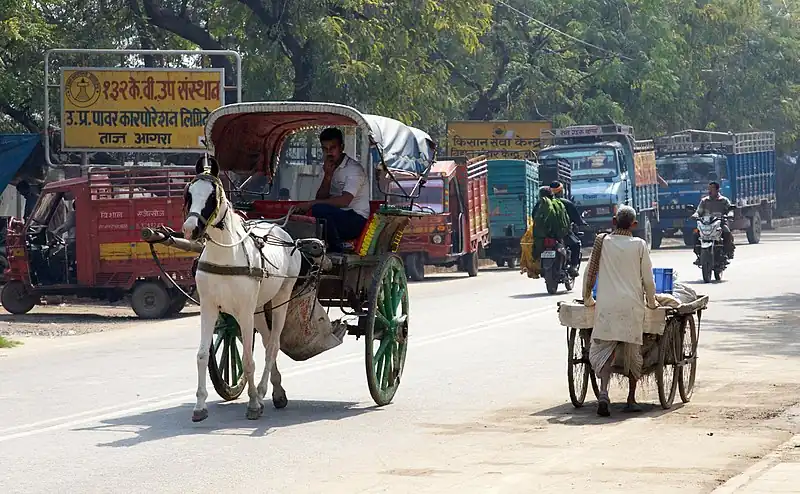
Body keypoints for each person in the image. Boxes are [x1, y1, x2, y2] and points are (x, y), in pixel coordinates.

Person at [583, 205, 657, 417]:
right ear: (634, 224)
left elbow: (590, 274)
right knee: (634, 354)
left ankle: (603, 392)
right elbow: (648, 280)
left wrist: (588, 299)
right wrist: (652, 302)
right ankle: (631, 399)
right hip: (632, 307)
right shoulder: (640, 245)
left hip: (606, 306)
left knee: (604, 351)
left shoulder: (602, 242)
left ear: (614, 222)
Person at [296, 128, 369, 252]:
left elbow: (345, 201)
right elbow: (320, 198)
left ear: (341, 147)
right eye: (325, 149)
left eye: (333, 148)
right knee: (309, 214)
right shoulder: (326, 167)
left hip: (355, 219)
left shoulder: (354, 169)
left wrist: (311, 203)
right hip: (335, 217)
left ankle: (337, 249)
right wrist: (328, 176)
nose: (329, 153)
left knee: (319, 209)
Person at [549, 180, 588, 277]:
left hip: (546, 234)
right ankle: (573, 266)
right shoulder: (566, 203)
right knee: (576, 244)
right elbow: (576, 218)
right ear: (560, 191)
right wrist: (582, 223)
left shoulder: (542, 203)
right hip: (563, 234)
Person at [692, 181, 735, 260]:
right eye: (709, 188)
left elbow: (730, 210)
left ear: (717, 190)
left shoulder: (724, 200)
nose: (710, 190)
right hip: (706, 224)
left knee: (727, 232)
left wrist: (730, 215)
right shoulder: (704, 201)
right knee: (695, 233)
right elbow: (699, 211)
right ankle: (698, 253)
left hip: (720, 223)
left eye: (712, 189)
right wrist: (695, 215)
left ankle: (728, 251)